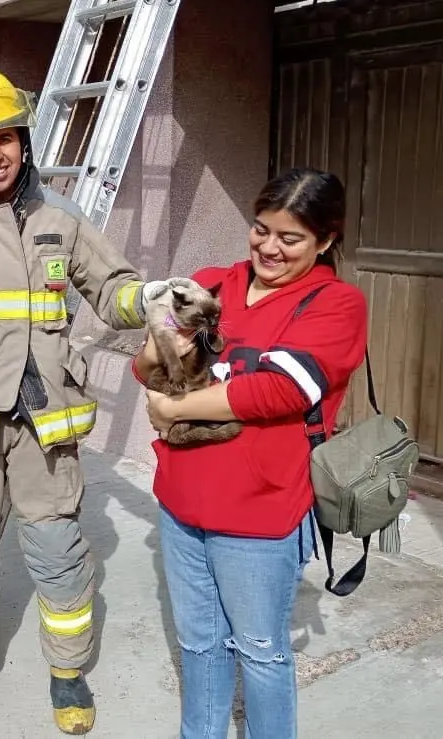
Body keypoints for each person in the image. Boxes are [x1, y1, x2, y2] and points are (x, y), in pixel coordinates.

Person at [0, 68, 187, 735]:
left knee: (57, 548)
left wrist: (151, 297)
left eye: (6, 138)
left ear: (24, 141)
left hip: (44, 420)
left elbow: (112, 289)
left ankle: (68, 669)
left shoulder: (63, 218)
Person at [134, 168, 368, 738]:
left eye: (290, 239)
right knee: (199, 644)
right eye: (261, 229)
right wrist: (159, 345)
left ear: (326, 241)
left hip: (260, 512)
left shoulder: (335, 305)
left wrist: (171, 410)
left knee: (261, 653)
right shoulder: (210, 283)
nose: (269, 247)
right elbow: (146, 365)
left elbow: (281, 390)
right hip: (182, 501)